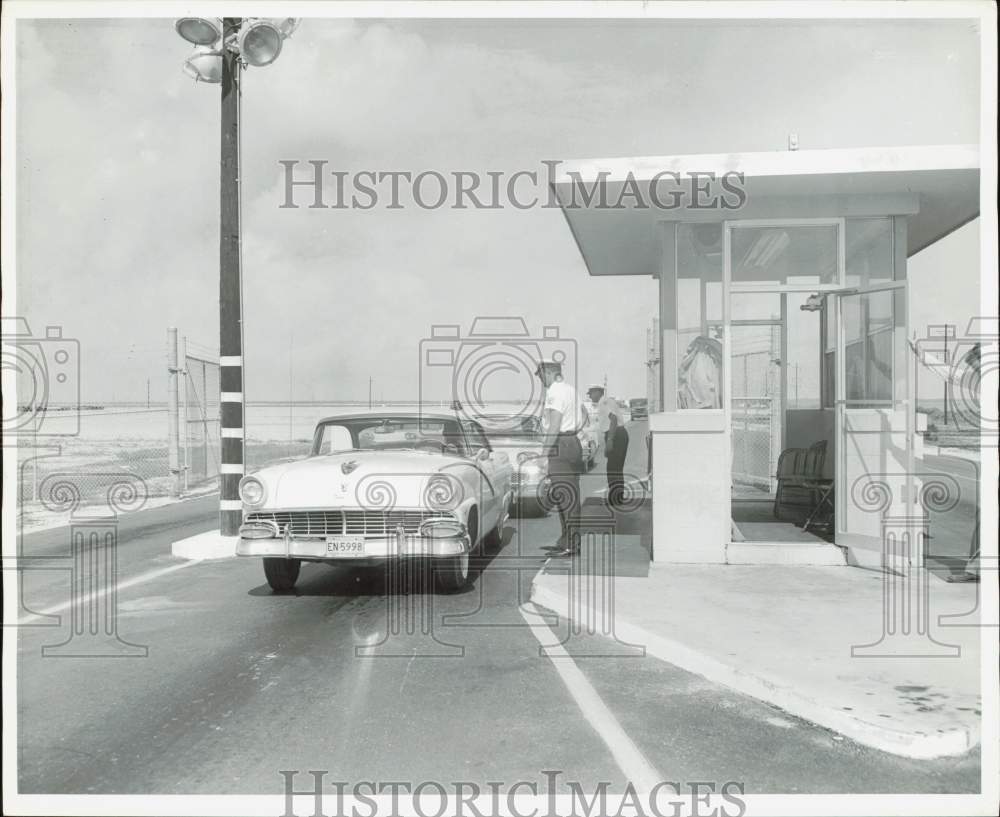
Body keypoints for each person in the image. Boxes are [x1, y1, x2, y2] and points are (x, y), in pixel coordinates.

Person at [537, 359, 584, 555]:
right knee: (567, 495)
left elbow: (554, 425)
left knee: (565, 497)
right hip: (572, 442)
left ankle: (571, 545)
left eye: (540, 375)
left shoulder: (555, 392)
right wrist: (572, 433)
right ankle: (566, 540)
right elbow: (584, 416)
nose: (540, 380)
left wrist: (544, 454)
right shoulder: (570, 390)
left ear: (547, 372)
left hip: (561, 445)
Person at [587, 384, 629, 507]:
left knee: (612, 469)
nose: (590, 396)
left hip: (616, 435)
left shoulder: (604, 402)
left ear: (598, 392)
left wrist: (610, 440)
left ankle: (615, 499)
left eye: (591, 393)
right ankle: (617, 498)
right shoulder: (606, 401)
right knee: (616, 468)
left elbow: (614, 419)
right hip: (617, 434)